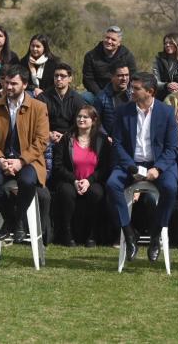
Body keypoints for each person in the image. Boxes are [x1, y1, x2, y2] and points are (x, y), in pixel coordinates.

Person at [106, 73, 178, 263]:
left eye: (136, 88)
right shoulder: (123, 111)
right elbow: (117, 144)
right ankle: (129, 233)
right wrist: (131, 167)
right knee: (112, 184)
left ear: (150, 91)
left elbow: (172, 148)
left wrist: (158, 169)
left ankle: (156, 234)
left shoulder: (167, 112)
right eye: (132, 87)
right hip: (130, 163)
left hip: (159, 164)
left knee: (170, 188)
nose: (132, 91)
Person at [0, 65, 49, 242]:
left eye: (14, 83)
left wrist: (21, 161)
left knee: (27, 181)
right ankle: (14, 221)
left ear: (25, 84)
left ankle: (13, 222)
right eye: (6, 82)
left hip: (29, 161)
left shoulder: (39, 107)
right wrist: (0, 159)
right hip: (0, 159)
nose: (8, 87)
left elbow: (41, 141)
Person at [52, 105, 112, 247]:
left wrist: (89, 181)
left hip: (93, 180)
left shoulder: (102, 140)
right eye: (79, 116)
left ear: (94, 120)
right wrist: (74, 181)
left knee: (96, 193)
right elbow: (58, 166)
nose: (81, 119)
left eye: (85, 117)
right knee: (66, 192)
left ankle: (92, 235)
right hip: (70, 180)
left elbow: (105, 167)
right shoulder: (67, 138)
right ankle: (67, 234)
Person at [38, 63, 86, 158]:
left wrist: (66, 136)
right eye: (56, 76)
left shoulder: (77, 99)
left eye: (63, 76)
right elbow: (36, 121)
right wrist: (48, 133)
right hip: (46, 136)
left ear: (70, 79)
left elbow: (81, 123)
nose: (59, 79)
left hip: (70, 137)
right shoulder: (43, 97)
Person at [82, 25, 137, 104]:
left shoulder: (127, 56)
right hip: (99, 92)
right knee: (84, 97)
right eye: (107, 38)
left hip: (121, 92)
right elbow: (88, 79)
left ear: (119, 43)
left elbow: (133, 77)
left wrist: (123, 93)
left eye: (113, 39)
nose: (109, 41)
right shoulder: (91, 56)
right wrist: (100, 95)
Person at [94, 62, 132, 136]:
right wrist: (106, 137)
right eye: (120, 75)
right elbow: (96, 121)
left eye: (126, 75)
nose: (124, 79)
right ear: (112, 77)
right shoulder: (101, 97)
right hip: (110, 139)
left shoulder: (135, 95)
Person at [152, 32, 178, 101]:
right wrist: (167, 85)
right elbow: (155, 81)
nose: (167, 45)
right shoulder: (158, 60)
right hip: (162, 96)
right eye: (165, 43)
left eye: (171, 43)